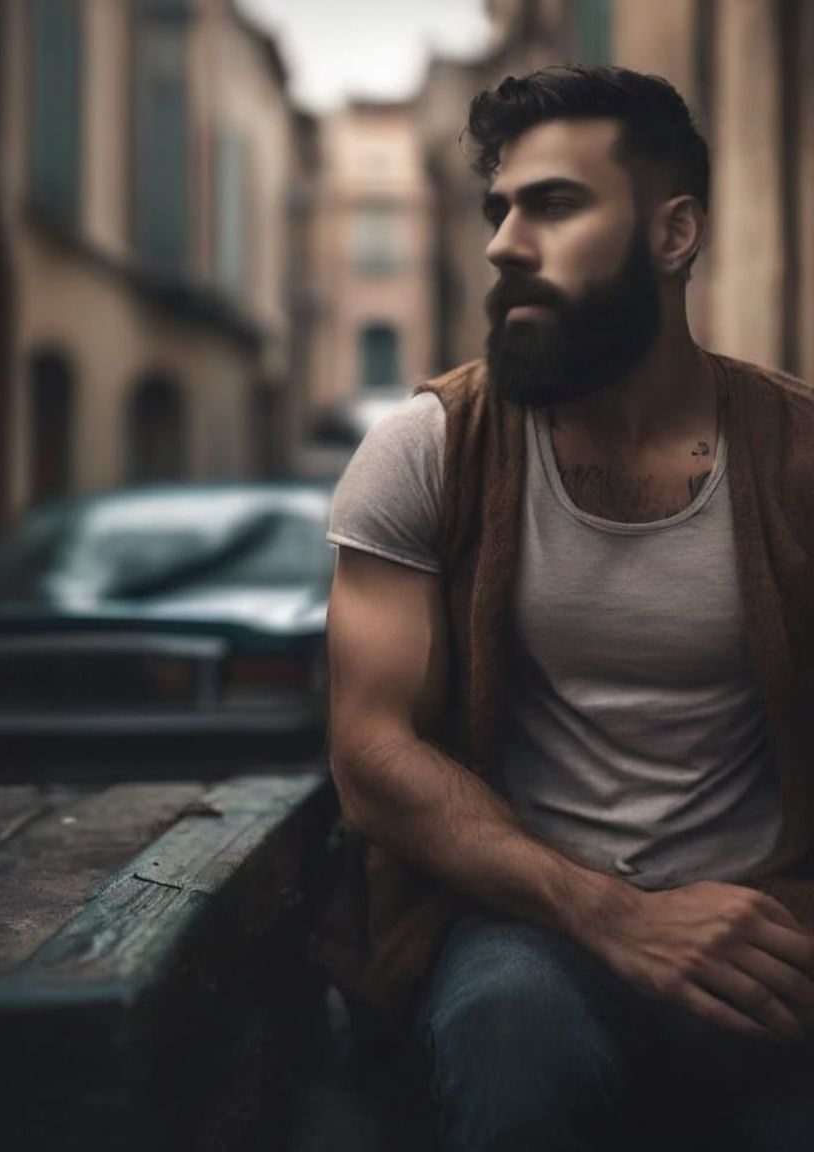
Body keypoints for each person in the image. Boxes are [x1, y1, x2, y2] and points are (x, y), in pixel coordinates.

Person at [323, 65, 814, 1151]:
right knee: (513, 1036)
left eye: (551, 204)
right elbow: (369, 752)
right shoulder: (430, 448)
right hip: (524, 924)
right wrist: (616, 917)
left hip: (770, 920)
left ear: (671, 232)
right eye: (498, 208)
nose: (502, 243)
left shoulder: (795, 458)